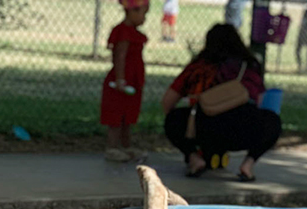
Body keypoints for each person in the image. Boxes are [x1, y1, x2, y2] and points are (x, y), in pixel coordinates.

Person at [161, 24, 281, 181]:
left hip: (202, 128)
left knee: (173, 119)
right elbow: (259, 101)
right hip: (244, 130)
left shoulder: (198, 68)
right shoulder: (250, 68)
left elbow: (166, 103)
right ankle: (248, 165)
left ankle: (194, 159)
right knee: (273, 121)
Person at [101, 0, 150, 163]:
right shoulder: (123, 33)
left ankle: (126, 146)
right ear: (132, 12)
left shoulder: (134, 33)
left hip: (133, 80)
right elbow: (120, 57)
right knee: (116, 115)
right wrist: (120, 79)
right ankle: (112, 147)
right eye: (144, 13)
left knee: (128, 116)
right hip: (121, 82)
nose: (145, 19)